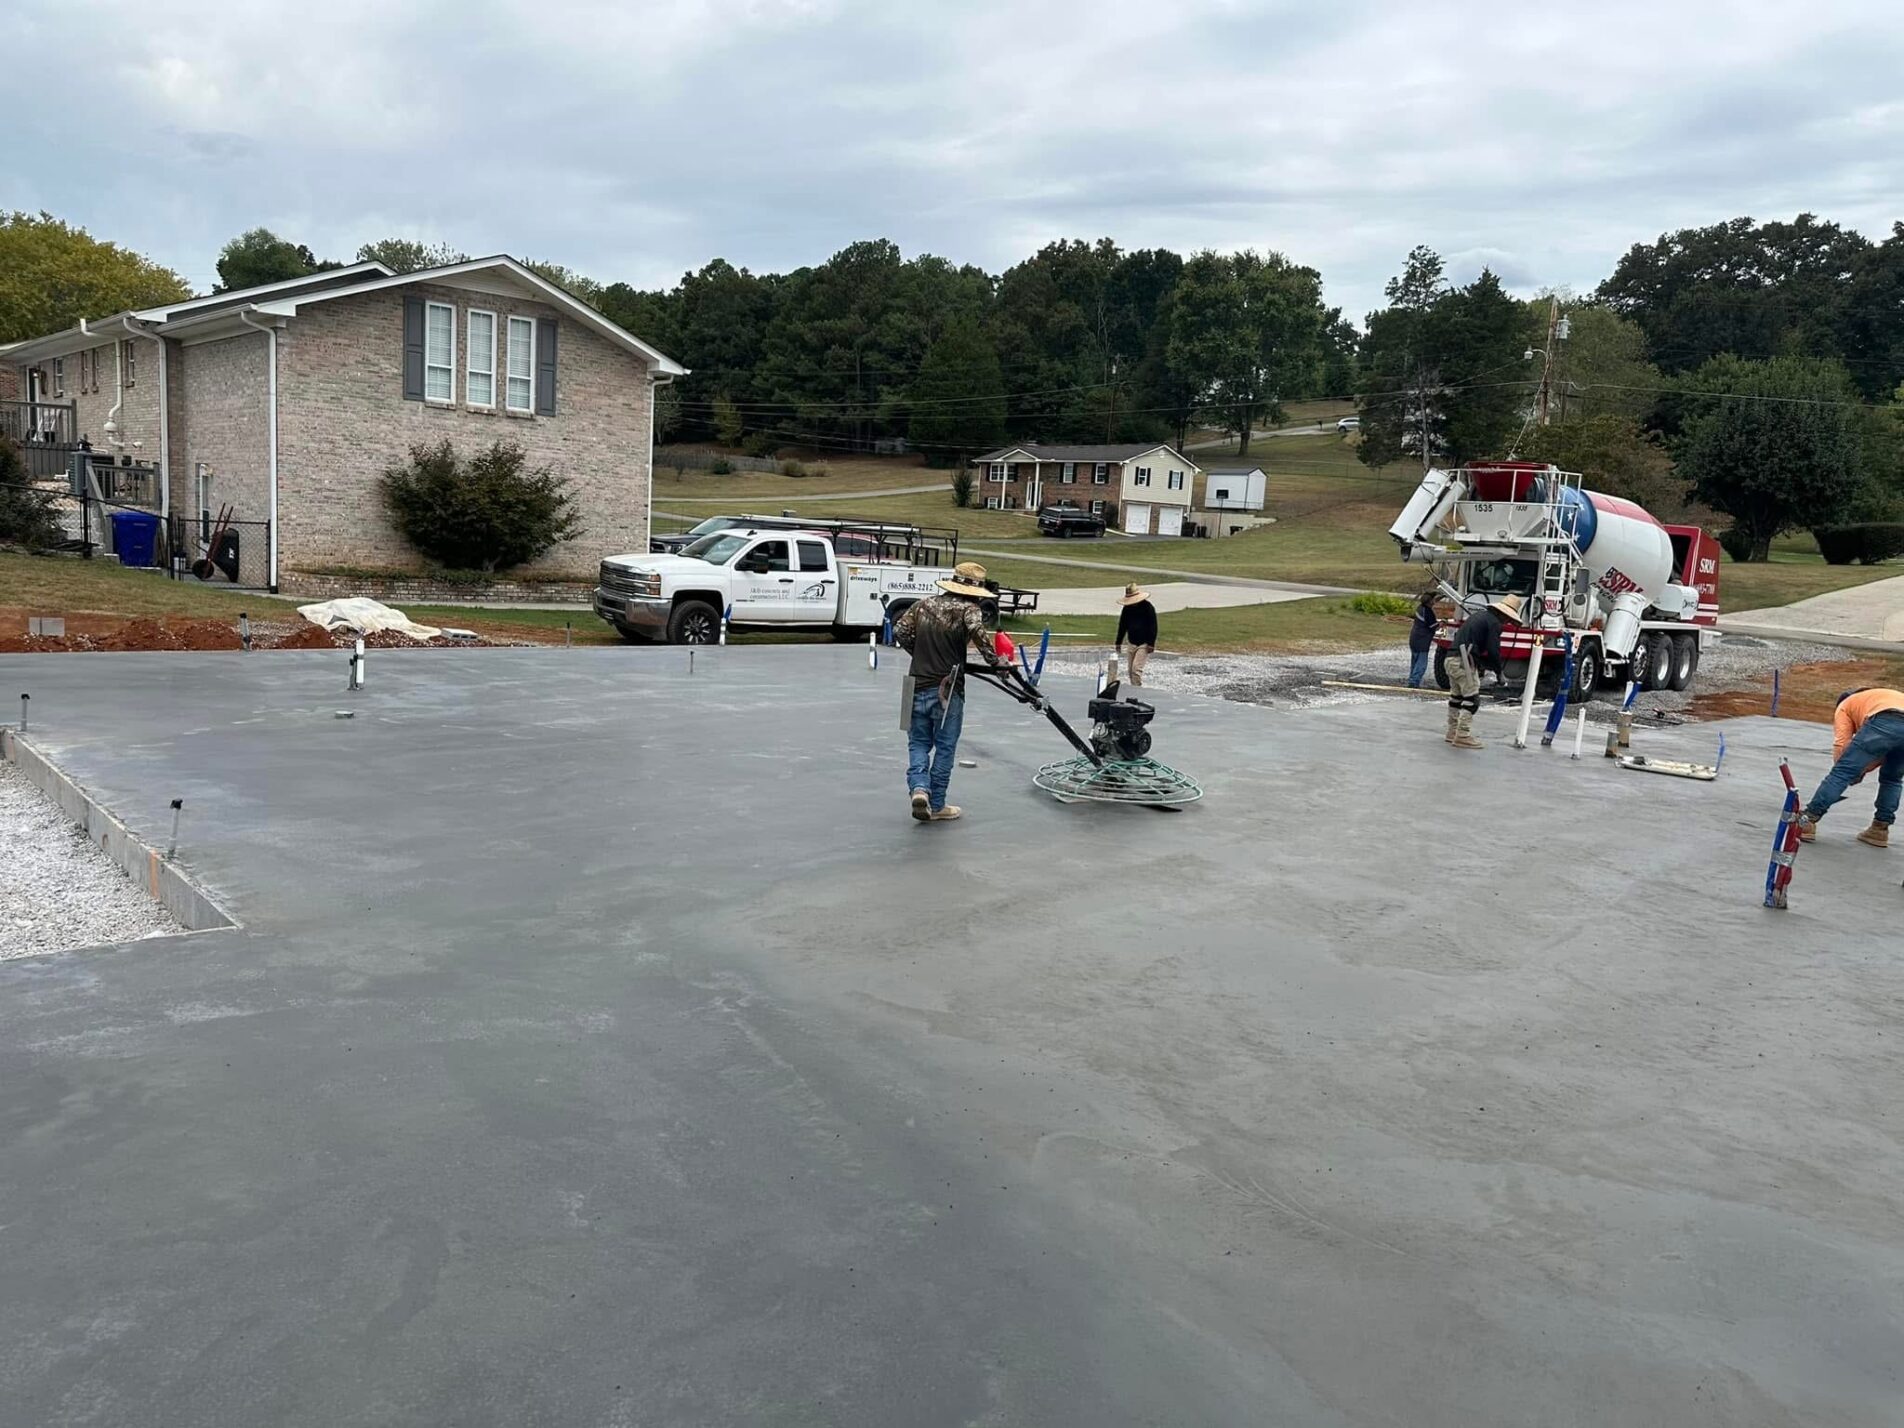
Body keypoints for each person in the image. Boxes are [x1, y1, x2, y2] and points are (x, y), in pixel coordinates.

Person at [894, 561, 1006, 823]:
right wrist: (996, 663)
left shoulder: (923, 604)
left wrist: (918, 652)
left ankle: (919, 789)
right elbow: (979, 635)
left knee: (917, 743)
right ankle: (937, 803)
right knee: (945, 747)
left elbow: (900, 630)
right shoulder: (969, 609)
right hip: (947, 686)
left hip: (914, 684)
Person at [1796, 687, 1904, 848]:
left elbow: (1842, 743)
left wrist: (1849, 772)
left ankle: (1807, 820)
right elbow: (1884, 752)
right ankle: (1880, 829)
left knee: (1841, 773)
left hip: (1885, 719)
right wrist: (1861, 769)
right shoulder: (1875, 698)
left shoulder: (1845, 705)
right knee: (1892, 779)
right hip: (1892, 719)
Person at [1444, 594, 1521, 749]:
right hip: (1464, 661)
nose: (1508, 623)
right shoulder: (1494, 623)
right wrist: (1499, 672)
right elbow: (1493, 650)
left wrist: (1482, 664)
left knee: (1457, 697)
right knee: (1472, 700)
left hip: (1451, 658)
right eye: (1508, 620)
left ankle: (1452, 731)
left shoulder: (1479, 616)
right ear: (1503, 614)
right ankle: (1463, 735)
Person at [1114, 583, 1158, 687]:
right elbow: (1122, 625)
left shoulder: (1148, 607)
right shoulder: (1127, 609)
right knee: (1130, 671)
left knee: (1136, 669)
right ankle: (1134, 688)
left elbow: (1153, 626)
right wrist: (1118, 642)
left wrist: (1151, 643)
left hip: (1144, 643)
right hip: (1131, 641)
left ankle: (1138, 690)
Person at [1407, 590, 1440, 688]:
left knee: (1415, 661)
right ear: (1430, 601)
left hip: (1414, 638)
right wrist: (1441, 623)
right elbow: (1433, 626)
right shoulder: (1428, 612)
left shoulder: (1420, 608)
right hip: (1422, 640)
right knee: (1421, 664)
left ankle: (1412, 680)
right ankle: (1414, 681)